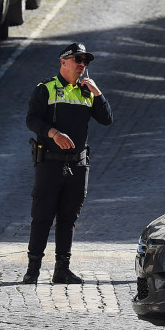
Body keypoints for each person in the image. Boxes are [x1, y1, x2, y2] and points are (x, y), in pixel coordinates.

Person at [23, 43, 113, 285]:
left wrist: (99, 94)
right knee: (42, 216)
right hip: (50, 164)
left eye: (85, 61)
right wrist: (53, 133)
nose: (82, 64)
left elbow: (107, 119)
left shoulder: (87, 92)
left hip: (78, 165)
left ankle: (62, 269)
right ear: (63, 62)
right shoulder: (46, 89)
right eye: (77, 59)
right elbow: (31, 119)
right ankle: (33, 270)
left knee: (68, 218)